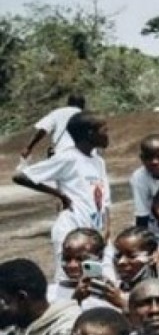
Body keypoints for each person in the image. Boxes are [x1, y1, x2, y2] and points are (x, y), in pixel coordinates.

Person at [12, 112, 110, 275]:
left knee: (95, 280)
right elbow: (20, 176)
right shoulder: (68, 158)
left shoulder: (98, 161)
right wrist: (60, 194)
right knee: (71, 283)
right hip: (70, 232)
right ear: (90, 134)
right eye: (104, 130)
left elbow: (104, 199)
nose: (107, 135)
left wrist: (107, 228)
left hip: (94, 234)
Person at [129, 133, 159, 265]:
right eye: (149, 157)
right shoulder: (139, 177)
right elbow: (142, 216)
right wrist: (144, 246)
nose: (155, 162)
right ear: (141, 158)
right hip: (155, 234)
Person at [20, 94, 85, 161]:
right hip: (82, 155)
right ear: (83, 105)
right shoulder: (88, 116)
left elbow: (43, 130)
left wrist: (29, 148)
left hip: (61, 153)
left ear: (68, 103)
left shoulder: (57, 112)